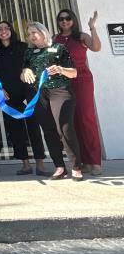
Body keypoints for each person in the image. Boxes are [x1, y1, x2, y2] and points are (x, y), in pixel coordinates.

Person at [21, 21, 83, 181]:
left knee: (64, 128)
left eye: (34, 32)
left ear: (43, 32)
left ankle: (76, 166)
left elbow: (74, 73)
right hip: (39, 94)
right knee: (48, 130)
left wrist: (61, 69)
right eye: (29, 34)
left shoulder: (59, 48)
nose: (32, 36)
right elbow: (23, 75)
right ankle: (59, 167)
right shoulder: (29, 52)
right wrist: (25, 71)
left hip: (60, 91)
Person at [0, 21, 47, 176]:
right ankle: (25, 165)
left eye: (6, 28)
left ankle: (40, 164)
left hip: (28, 91)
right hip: (9, 94)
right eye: (0, 29)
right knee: (15, 130)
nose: (3, 31)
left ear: (11, 30)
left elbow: (31, 64)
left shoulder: (23, 47)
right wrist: (0, 89)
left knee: (33, 127)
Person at [54, 9, 102, 176]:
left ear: (73, 20)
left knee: (86, 119)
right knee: (71, 122)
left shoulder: (81, 37)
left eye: (68, 18)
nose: (64, 21)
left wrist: (92, 27)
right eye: (61, 19)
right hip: (63, 81)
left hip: (81, 80)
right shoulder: (55, 39)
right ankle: (80, 163)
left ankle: (94, 161)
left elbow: (96, 48)